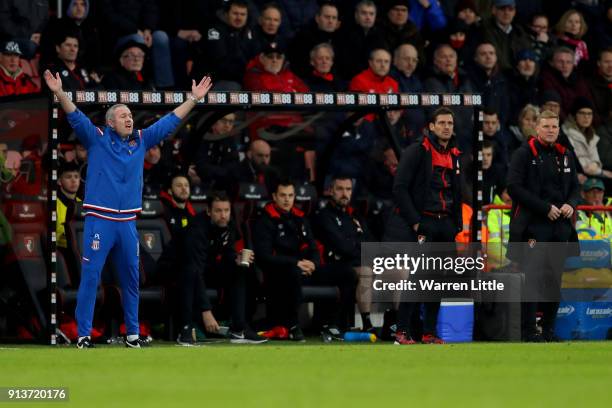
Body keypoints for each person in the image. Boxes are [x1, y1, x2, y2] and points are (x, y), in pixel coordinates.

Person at [44, 68, 213, 348]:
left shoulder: (141, 140)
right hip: (100, 220)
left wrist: (193, 99)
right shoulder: (96, 137)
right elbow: (75, 116)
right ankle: (83, 335)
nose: (129, 119)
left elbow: (169, 122)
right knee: (91, 276)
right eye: (123, 115)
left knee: (132, 278)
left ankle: (132, 334)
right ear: (110, 123)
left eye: (130, 115)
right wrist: (60, 92)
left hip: (126, 223)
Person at [385, 107, 463, 345]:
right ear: (431, 126)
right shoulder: (417, 151)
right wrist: (416, 222)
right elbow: (399, 188)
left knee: (437, 280)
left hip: (445, 223)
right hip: (424, 222)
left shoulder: (455, 154)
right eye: (442, 123)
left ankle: (429, 332)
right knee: (417, 278)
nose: (447, 127)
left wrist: (456, 224)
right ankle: (403, 331)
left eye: (450, 123)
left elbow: (457, 190)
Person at [506, 110, 580, 342]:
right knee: (532, 280)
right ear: (537, 129)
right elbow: (514, 187)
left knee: (554, 280)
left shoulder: (566, 154)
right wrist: (544, 207)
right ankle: (529, 332)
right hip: (533, 228)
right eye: (546, 126)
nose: (550, 131)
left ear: (559, 129)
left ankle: (548, 331)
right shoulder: (524, 153)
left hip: (559, 229)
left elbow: (575, 189)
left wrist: (571, 204)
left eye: (554, 127)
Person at [254, 178, 355, 340]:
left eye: (290, 195)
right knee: (293, 272)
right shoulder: (265, 220)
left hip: (305, 269)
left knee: (347, 273)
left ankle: (333, 323)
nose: (287, 199)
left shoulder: (300, 218)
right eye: (283, 195)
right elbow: (264, 256)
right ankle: (293, 325)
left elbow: (313, 247)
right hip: (279, 273)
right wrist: (296, 263)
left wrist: (314, 264)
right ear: (274, 196)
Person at [177, 191, 267, 345]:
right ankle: (185, 329)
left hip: (205, 269)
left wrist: (236, 259)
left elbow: (228, 253)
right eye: (218, 211)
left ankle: (239, 329)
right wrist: (206, 311)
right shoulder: (196, 229)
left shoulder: (228, 224)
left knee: (240, 270)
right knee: (190, 272)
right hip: (178, 270)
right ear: (209, 211)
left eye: (226, 210)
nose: (223, 215)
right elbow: (195, 268)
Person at [313, 176, 371, 330]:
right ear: (330, 191)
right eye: (339, 189)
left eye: (348, 189)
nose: (344, 193)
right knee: (365, 271)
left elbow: (369, 243)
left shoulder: (355, 215)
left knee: (400, 271)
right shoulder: (324, 216)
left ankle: (398, 325)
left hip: (362, 262)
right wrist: (357, 245)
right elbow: (341, 247)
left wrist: (354, 245)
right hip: (340, 267)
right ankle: (367, 323)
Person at [287, 1, 342, 78]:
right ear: (317, 18)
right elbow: (298, 67)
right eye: (327, 17)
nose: (330, 21)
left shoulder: (341, 40)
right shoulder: (303, 39)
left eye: (334, 18)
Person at [479, 0, 531, 71]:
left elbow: (531, 58)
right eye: (502, 9)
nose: (506, 13)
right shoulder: (485, 30)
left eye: (510, 9)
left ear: (514, 12)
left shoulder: (520, 32)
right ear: (494, 10)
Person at [56, 160, 82, 277]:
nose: (73, 180)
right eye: (68, 177)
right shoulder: (53, 203)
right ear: (59, 181)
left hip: (82, 251)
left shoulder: (82, 204)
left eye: (76, 177)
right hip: (63, 252)